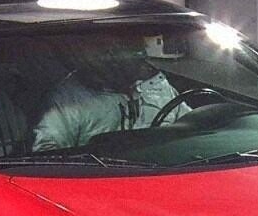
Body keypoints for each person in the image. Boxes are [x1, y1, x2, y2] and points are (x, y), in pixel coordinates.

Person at [32, 36, 191, 152]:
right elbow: (47, 152)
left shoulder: (157, 85)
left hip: (164, 172)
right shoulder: (69, 100)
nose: (140, 62)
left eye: (138, 52)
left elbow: (191, 125)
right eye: (125, 51)